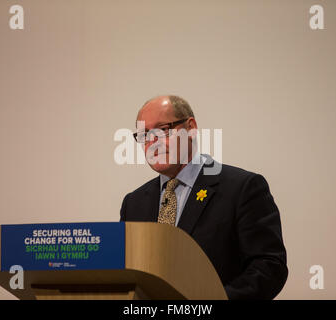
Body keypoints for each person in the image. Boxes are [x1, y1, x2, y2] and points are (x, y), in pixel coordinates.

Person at [119, 95, 288, 299]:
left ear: (190, 128)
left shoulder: (242, 188)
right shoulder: (134, 203)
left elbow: (269, 267)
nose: (153, 142)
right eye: (145, 135)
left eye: (163, 130)